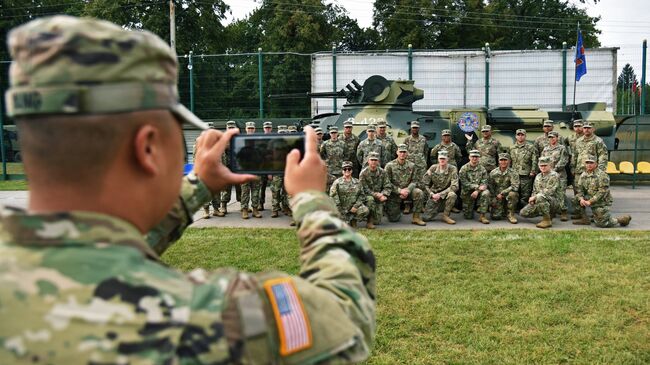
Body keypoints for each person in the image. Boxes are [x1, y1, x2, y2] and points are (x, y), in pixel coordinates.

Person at [0, 16, 376, 364]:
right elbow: (345, 315)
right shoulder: (208, 317)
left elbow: (96, 245)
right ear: (148, 148)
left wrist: (198, 187)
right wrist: (313, 201)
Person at [573, 155, 631, 227]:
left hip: (602, 202)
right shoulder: (583, 175)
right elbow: (579, 189)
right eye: (587, 163)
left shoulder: (602, 175)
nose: (589, 165)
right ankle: (585, 219)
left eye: (591, 163)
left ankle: (621, 220)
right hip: (590, 198)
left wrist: (590, 201)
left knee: (601, 224)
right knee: (576, 199)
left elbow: (602, 192)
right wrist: (581, 199)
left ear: (596, 164)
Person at [572, 122, 608, 219]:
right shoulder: (579, 141)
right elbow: (575, 155)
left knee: (594, 191)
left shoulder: (598, 141)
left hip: (593, 171)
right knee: (578, 191)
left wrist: (600, 169)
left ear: (593, 129)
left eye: (589, 128)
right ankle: (580, 212)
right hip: (580, 170)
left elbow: (603, 155)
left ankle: (596, 211)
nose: (586, 129)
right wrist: (573, 167)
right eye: (585, 128)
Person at [384, 144, 426, 225]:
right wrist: (400, 191)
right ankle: (393, 211)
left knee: (419, 192)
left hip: (408, 191)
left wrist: (407, 190)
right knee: (394, 219)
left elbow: (414, 181)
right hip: (394, 193)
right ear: (397, 152)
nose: (402, 154)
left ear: (407, 153)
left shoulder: (412, 165)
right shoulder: (389, 166)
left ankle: (416, 218)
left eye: (404, 152)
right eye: (401, 152)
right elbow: (386, 183)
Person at [520, 156, 559, 228]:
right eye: (541, 166)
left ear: (549, 165)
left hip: (553, 201)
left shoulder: (554, 175)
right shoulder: (538, 176)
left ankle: (547, 220)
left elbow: (550, 191)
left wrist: (535, 197)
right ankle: (546, 212)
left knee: (540, 196)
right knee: (523, 213)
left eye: (545, 165)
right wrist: (532, 198)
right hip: (540, 200)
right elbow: (534, 190)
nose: (543, 167)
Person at [421, 150, 458, 224]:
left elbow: (455, 186)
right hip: (434, 196)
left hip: (446, 195)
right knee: (425, 218)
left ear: (447, 159)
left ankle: (445, 215)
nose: (442, 160)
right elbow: (424, 184)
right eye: (441, 158)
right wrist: (431, 194)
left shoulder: (452, 169)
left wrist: (440, 194)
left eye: (444, 158)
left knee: (452, 195)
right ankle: (437, 209)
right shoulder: (433, 168)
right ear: (438, 159)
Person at [330, 161, 370, 228]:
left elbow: (362, 195)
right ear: (342, 171)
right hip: (342, 208)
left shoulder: (357, 182)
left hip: (353, 207)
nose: (347, 170)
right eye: (345, 169)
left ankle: (353, 220)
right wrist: (340, 209)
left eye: (349, 169)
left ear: (352, 170)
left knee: (365, 210)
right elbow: (333, 196)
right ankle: (346, 220)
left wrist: (356, 206)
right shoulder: (337, 182)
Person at [359, 151, 392, 229]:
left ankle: (376, 214)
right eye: (372, 160)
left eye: (375, 160)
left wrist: (383, 194)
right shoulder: (363, 173)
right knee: (370, 200)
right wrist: (375, 194)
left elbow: (387, 186)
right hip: (367, 197)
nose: (373, 162)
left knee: (377, 221)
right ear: (368, 161)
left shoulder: (383, 172)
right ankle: (369, 221)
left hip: (380, 197)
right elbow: (363, 189)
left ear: (378, 161)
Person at [541, 131, 569, 221]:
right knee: (549, 192)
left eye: (553, 137)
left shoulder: (562, 148)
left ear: (557, 138)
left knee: (561, 193)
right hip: (547, 176)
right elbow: (542, 161)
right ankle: (551, 211)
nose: (551, 139)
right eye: (550, 137)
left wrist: (553, 170)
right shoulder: (545, 149)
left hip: (559, 175)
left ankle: (563, 212)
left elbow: (563, 161)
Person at [459, 150, 491, 224]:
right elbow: (464, 183)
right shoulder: (464, 168)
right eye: (473, 156)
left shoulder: (482, 169)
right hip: (467, 192)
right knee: (468, 216)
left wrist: (477, 191)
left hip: (479, 192)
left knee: (486, 193)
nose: (474, 158)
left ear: (479, 158)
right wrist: (477, 187)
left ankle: (482, 216)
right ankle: (474, 207)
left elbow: (484, 183)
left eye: (476, 157)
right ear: (469, 157)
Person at [509, 128, 538, 208]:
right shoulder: (512, 148)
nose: (520, 137)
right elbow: (509, 161)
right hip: (514, 174)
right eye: (518, 135)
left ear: (525, 136)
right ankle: (514, 207)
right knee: (515, 191)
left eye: (522, 135)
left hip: (526, 174)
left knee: (525, 193)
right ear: (516, 136)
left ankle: (524, 209)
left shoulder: (531, 147)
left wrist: (533, 171)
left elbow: (534, 160)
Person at [488, 153, 519, 223]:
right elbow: (490, 186)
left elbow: (515, 186)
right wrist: (493, 198)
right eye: (501, 160)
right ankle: (501, 210)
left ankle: (511, 214)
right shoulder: (493, 172)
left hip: (507, 194)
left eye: (505, 160)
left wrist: (502, 193)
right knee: (496, 217)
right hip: (497, 196)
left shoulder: (513, 172)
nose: (503, 162)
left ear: (509, 161)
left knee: (513, 194)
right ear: (498, 161)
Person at [240, 122, 262, 219]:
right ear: (245, 129)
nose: (250, 130)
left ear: (255, 129)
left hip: (256, 170)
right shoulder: (240, 140)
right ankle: (244, 210)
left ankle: (255, 210)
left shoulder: (258, 141)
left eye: (252, 128)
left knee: (256, 191)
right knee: (245, 191)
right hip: (245, 171)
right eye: (249, 128)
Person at [320, 126, 346, 193]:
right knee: (329, 189)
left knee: (340, 188)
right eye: (332, 133)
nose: (333, 134)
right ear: (330, 134)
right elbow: (321, 155)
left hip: (340, 169)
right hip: (330, 170)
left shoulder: (342, 143)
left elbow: (346, 155)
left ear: (337, 133)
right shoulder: (325, 144)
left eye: (335, 133)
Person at [258, 120, 274, 212]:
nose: (267, 129)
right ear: (263, 128)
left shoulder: (274, 138)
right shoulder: (260, 139)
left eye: (269, 127)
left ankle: (275, 205)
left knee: (275, 187)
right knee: (262, 186)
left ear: (271, 128)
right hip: (263, 167)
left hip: (273, 166)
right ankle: (261, 204)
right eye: (266, 127)